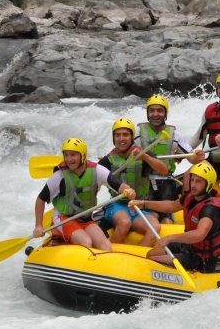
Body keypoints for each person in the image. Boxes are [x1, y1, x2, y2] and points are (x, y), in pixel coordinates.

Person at [33, 137, 135, 251]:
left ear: (82, 155)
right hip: (64, 218)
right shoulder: (59, 176)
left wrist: (128, 190)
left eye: (73, 155)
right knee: (86, 242)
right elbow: (40, 199)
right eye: (66, 155)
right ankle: (59, 235)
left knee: (106, 246)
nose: (69, 159)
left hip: (85, 219)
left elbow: (118, 185)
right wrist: (38, 225)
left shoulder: (97, 170)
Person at [129, 162, 220, 273]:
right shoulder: (191, 196)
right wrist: (144, 203)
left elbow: (199, 234)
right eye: (192, 180)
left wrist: (171, 238)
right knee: (150, 254)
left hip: (202, 258)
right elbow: (172, 206)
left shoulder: (210, 209)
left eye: (198, 181)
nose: (193, 185)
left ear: (208, 184)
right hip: (189, 247)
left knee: (152, 261)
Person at [98, 118, 168, 246]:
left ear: (131, 138)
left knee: (155, 227)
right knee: (124, 222)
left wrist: (145, 157)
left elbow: (164, 170)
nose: (121, 138)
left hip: (138, 206)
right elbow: (93, 183)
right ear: (114, 138)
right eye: (118, 135)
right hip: (116, 205)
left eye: (125, 134)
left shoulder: (143, 155)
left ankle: (138, 260)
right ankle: (110, 257)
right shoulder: (107, 161)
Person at [138, 94, 205, 224]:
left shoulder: (175, 135)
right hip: (144, 182)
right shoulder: (137, 133)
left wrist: (197, 157)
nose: (155, 114)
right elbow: (123, 149)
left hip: (166, 182)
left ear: (165, 113)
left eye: (159, 110)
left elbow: (191, 158)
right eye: (152, 110)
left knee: (167, 220)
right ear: (147, 113)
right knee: (152, 217)